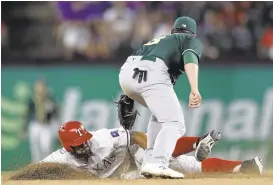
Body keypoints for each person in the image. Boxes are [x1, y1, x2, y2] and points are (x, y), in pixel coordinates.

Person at [119, 16, 203, 178]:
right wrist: (194, 88)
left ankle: (148, 164)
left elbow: (139, 64)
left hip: (126, 74)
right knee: (175, 124)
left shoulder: (159, 39)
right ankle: (158, 163)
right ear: (192, 33)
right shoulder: (189, 40)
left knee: (160, 117)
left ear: (174, 30)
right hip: (152, 74)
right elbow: (190, 59)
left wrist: (128, 93)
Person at [40, 121, 263, 179]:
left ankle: (196, 142)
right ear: (68, 148)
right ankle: (245, 166)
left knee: (153, 163)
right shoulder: (61, 159)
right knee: (189, 167)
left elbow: (136, 136)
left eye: (85, 139)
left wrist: (154, 154)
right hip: (123, 174)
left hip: (133, 156)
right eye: (79, 144)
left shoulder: (102, 139)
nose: (85, 143)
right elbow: (38, 170)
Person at [21, 79, 59, 162]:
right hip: (35, 125)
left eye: (42, 86)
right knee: (35, 147)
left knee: (46, 146)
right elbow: (26, 113)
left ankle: (47, 164)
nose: (40, 88)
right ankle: (36, 166)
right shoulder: (32, 99)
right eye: (38, 86)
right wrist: (23, 128)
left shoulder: (50, 98)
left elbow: (56, 112)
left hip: (46, 125)